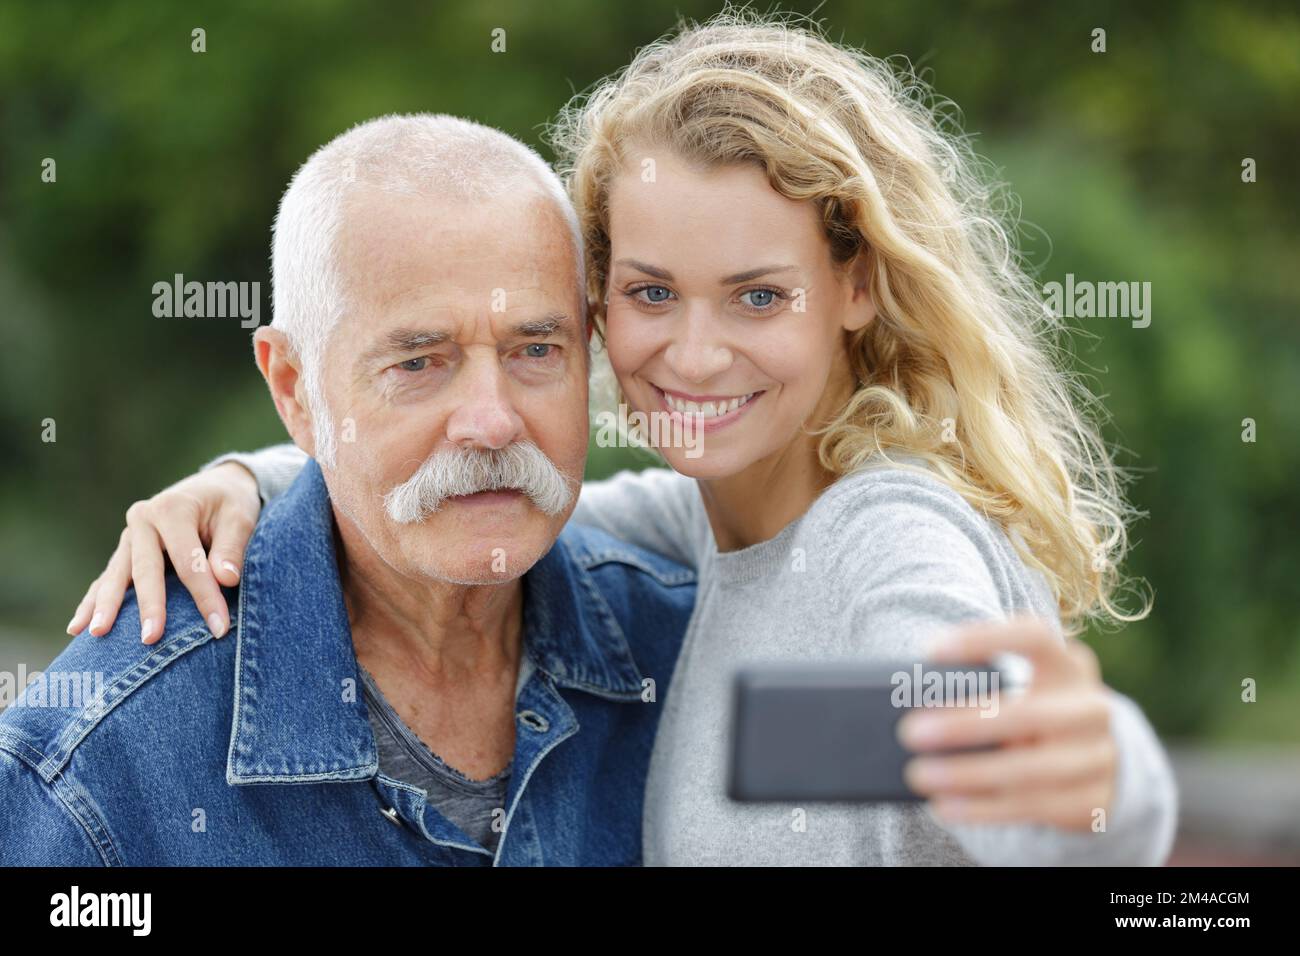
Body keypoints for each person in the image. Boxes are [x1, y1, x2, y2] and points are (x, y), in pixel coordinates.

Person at [62, 13, 1178, 865]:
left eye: (755, 297)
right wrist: (243, 480)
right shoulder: (699, 531)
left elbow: (1004, 769)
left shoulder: (884, 538)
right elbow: (478, 484)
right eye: (652, 292)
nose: (692, 355)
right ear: (598, 302)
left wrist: (1105, 778)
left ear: (854, 284)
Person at [0, 114, 698, 866]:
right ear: (294, 390)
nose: (494, 423)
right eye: (419, 364)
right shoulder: (99, 761)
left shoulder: (680, 650)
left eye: (535, 348)